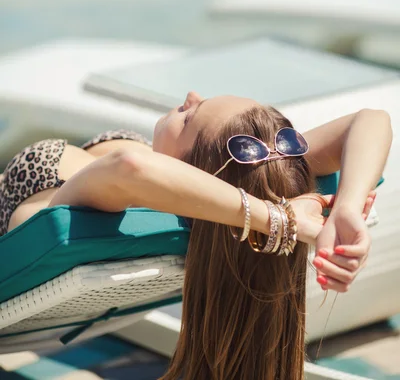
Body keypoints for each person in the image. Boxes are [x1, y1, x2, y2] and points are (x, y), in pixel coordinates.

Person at [0, 92, 392, 380]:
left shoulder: (99, 196)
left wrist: (278, 220)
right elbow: (371, 119)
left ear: (196, 169)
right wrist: (344, 206)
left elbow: (132, 165)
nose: (190, 96)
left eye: (190, 118)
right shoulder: (242, 185)